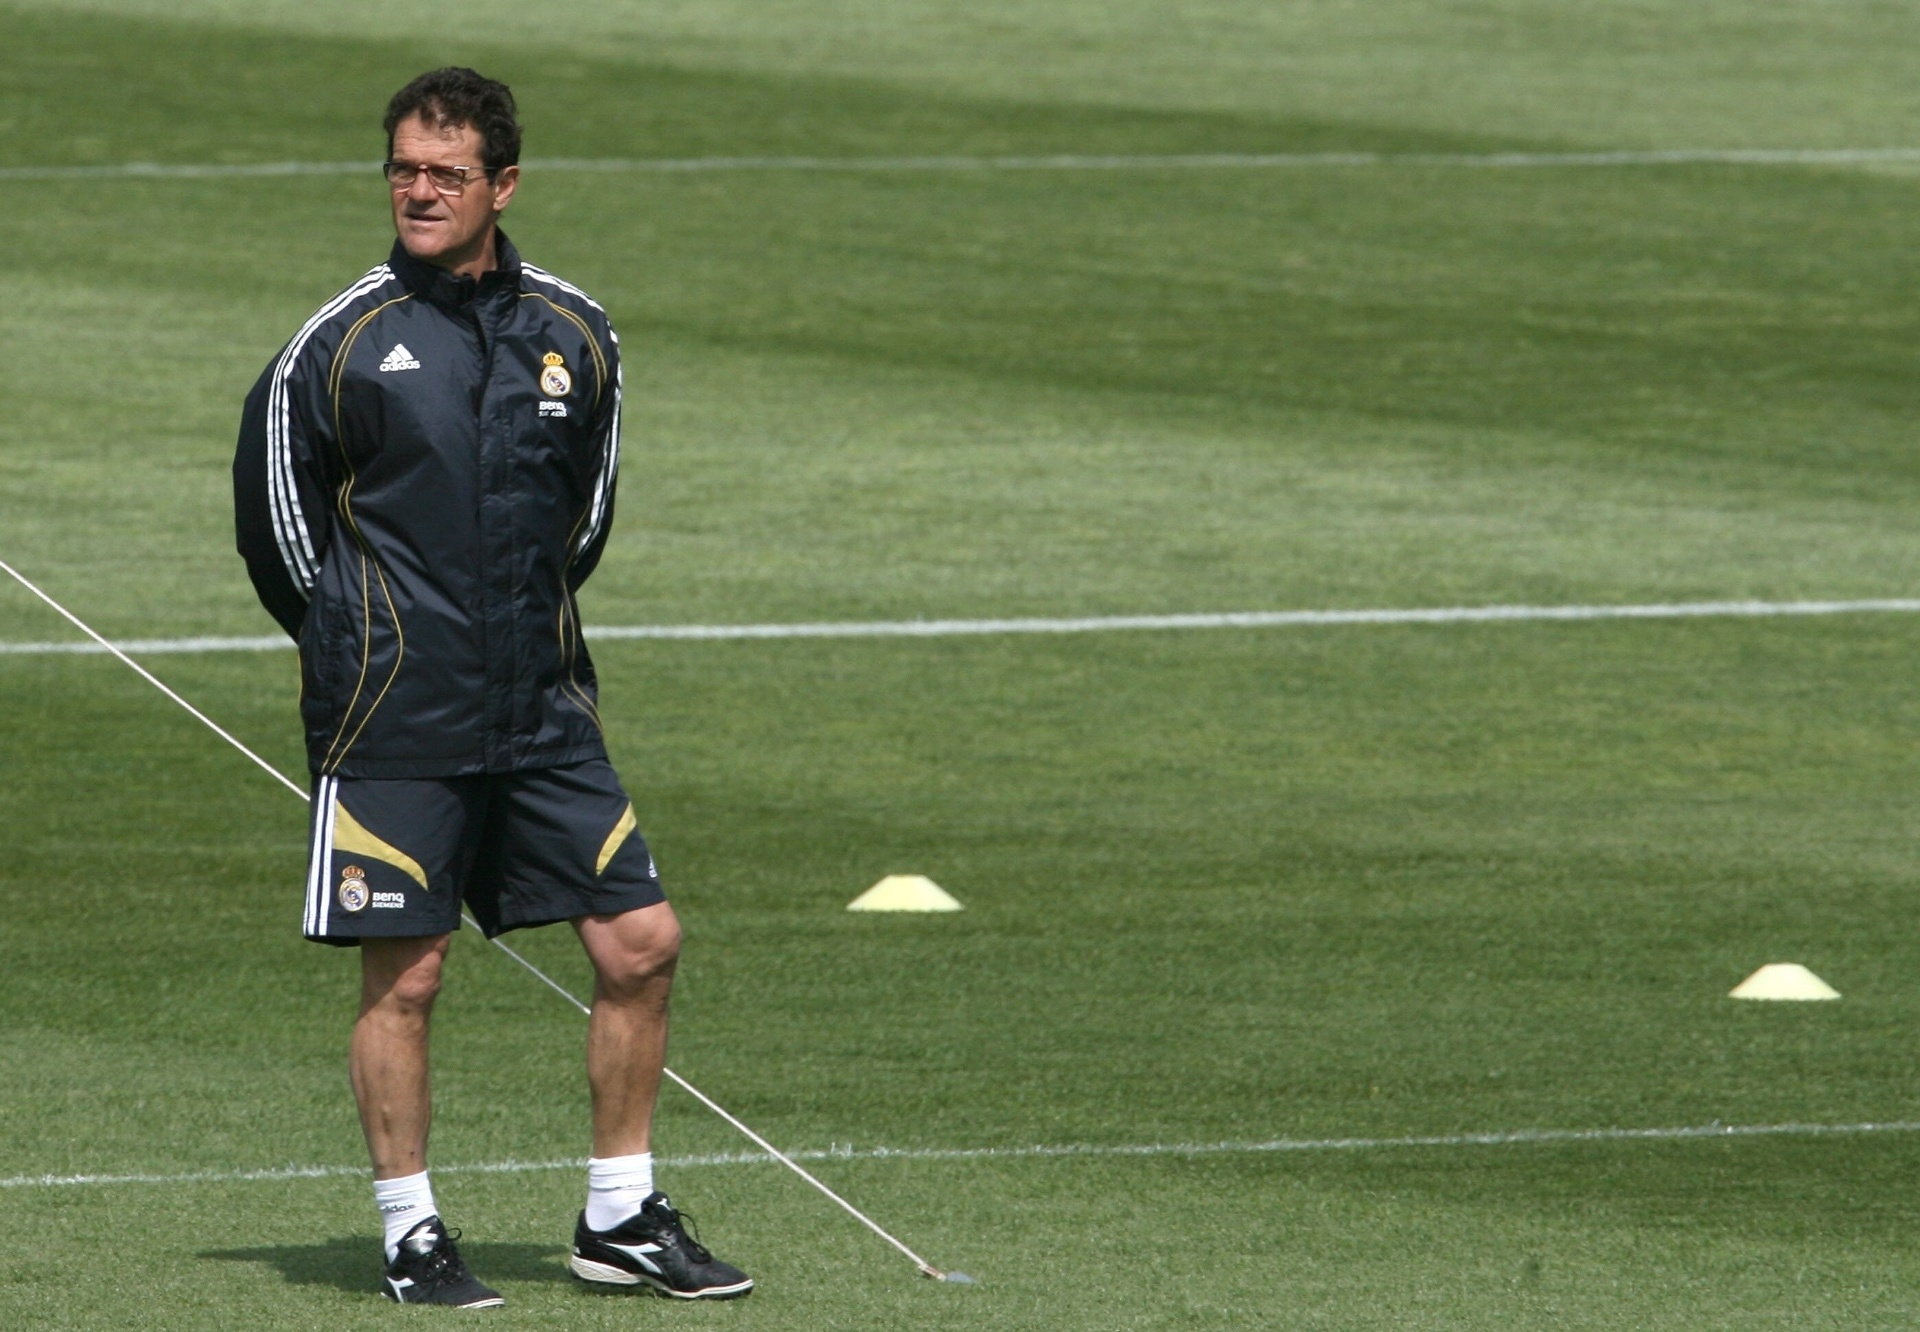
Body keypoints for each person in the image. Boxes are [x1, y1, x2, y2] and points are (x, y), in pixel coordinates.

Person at [232, 67, 751, 1308]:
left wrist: (515, 634)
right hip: (394, 713)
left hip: (542, 709)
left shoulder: (577, 331)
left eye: (445, 173)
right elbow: (279, 533)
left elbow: (585, 519)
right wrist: (364, 649)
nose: (419, 190)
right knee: (406, 975)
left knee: (642, 945)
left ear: (502, 186)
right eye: (404, 168)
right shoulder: (338, 340)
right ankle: (412, 1232)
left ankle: (618, 1216)